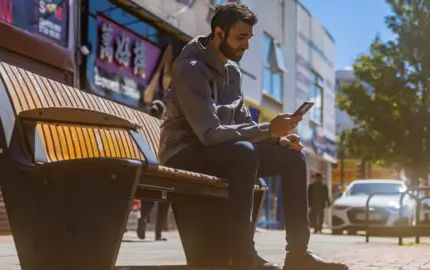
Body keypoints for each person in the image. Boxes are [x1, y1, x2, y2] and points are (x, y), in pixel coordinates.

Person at [158, 3, 348, 270]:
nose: (245, 46)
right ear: (218, 34)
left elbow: (243, 122)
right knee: (244, 152)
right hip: (183, 152)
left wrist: (278, 140)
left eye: (249, 38)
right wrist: (269, 130)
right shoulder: (191, 68)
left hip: (222, 151)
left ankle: (298, 255)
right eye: (240, 37)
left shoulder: (232, 71)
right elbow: (209, 134)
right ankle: (243, 255)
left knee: (293, 158)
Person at [137, 100, 170, 241]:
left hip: (146, 166)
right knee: (165, 199)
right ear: (163, 113)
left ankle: (144, 217)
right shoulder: (164, 126)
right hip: (162, 166)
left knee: (148, 197)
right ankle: (158, 233)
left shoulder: (144, 124)